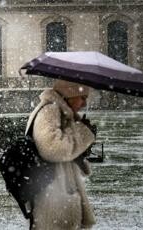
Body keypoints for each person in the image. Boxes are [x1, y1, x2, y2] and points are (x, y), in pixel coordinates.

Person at [24, 79, 96, 229]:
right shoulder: (49, 110)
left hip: (57, 194)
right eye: (82, 98)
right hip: (54, 197)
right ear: (69, 94)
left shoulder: (60, 112)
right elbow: (53, 148)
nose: (83, 104)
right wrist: (82, 133)